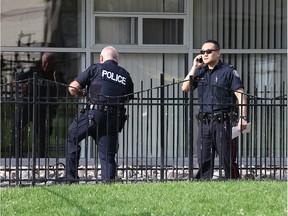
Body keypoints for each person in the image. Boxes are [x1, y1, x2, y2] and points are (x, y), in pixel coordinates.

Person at [66, 46, 134, 183]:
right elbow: (126, 100)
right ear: (116, 60)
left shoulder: (96, 68)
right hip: (113, 119)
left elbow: (72, 88)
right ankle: (108, 183)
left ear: (101, 58)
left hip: (93, 114)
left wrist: (82, 94)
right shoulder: (125, 75)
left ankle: (70, 179)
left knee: (72, 136)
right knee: (108, 156)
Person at [182, 40, 248, 180]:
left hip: (223, 120)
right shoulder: (200, 72)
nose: (204, 54)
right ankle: (203, 184)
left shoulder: (228, 71)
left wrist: (243, 117)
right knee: (204, 157)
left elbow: (240, 95)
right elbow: (185, 88)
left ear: (218, 53)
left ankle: (233, 182)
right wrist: (194, 67)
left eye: (208, 51)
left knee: (227, 158)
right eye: (202, 52)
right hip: (204, 121)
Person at [17, 52, 66, 157]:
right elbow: (17, 80)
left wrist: (56, 76)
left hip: (45, 108)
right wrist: (22, 86)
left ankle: (42, 157)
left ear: (53, 63)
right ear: (41, 61)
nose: (46, 66)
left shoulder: (57, 74)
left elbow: (63, 90)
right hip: (28, 104)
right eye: (44, 63)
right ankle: (18, 153)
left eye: (49, 63)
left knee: (43, 133)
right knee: (18, 127)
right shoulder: (33, 70)